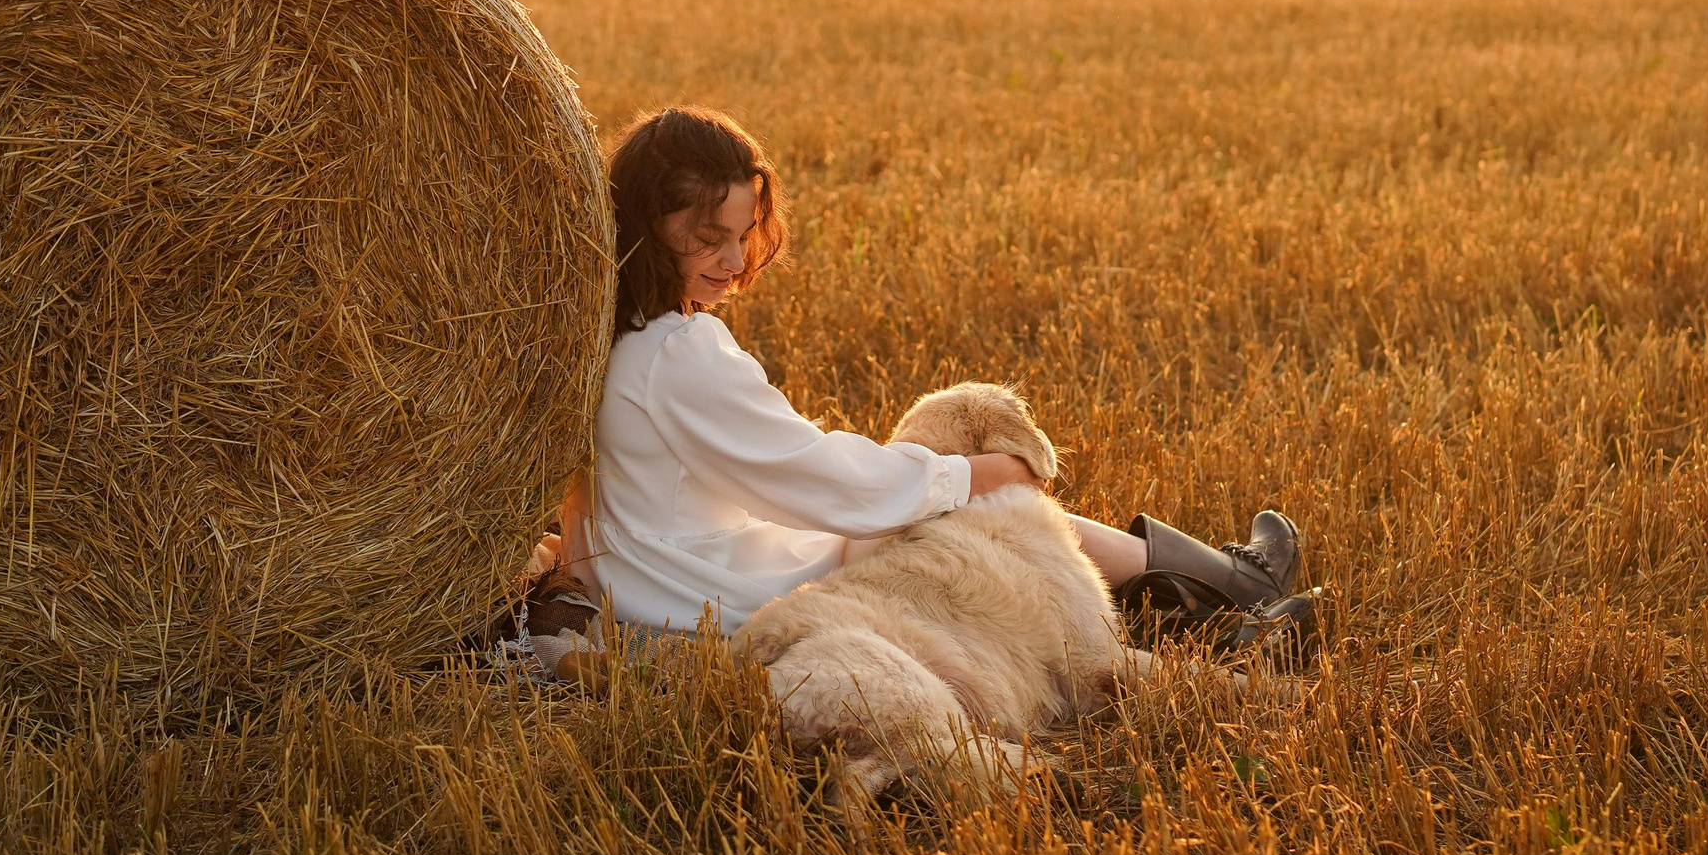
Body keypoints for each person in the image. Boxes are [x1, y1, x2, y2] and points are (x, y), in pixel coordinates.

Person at [556, 106, 1310, 648]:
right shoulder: (679, 353)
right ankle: (1233, 589)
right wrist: (973, 472)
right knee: (992, 507)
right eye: (703, 237)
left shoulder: (620, 337)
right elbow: (822, 479)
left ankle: (1205, 599)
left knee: (956, 511)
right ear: (648, 228)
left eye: (742, 234)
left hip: (672, 588)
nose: (730, 259)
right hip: (729, 599)